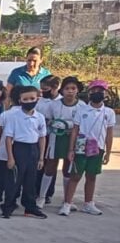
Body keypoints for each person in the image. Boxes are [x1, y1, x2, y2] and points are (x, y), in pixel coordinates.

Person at [60, 79, 114, 216]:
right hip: (81, 147)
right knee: (75, 176)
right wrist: (71, 149)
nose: (97, 93)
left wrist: (108, 152)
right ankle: (67, 203)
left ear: (105, 93)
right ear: (89, 93)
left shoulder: (109, 112)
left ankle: (88, 203)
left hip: (98, 148)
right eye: (94, 91)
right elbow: (75, 130)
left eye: (100, 91)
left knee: (92, 176)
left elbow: (109, 133)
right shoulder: (82, 110)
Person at [0, 86, 47, 219]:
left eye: (32, 98)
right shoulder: (14, 116)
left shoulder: (39, 117)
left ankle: (30, 207)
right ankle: (8, 205)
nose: (29, 101)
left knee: (31, 180)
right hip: (19, 148)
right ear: (20, 100)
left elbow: (42, 137)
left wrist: (41, 157)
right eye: (25, 99)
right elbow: (8, 137)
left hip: (33, 149)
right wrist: (10, 157)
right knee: (14, 180)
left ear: (37, 99)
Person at [38, 75, 82, 208]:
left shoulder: (81, 106)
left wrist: (69, 125)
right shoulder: (54, 105)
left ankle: (67, 199)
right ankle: (41, 197)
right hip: (55, 138)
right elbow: (46, 120)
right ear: (62, 90)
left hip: (72, 140)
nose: (70, 91)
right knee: (50, 167)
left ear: (77, 90)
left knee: (68, 169)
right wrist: (54, 124)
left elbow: (83, 124)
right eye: (67, 88)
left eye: (73, 88)